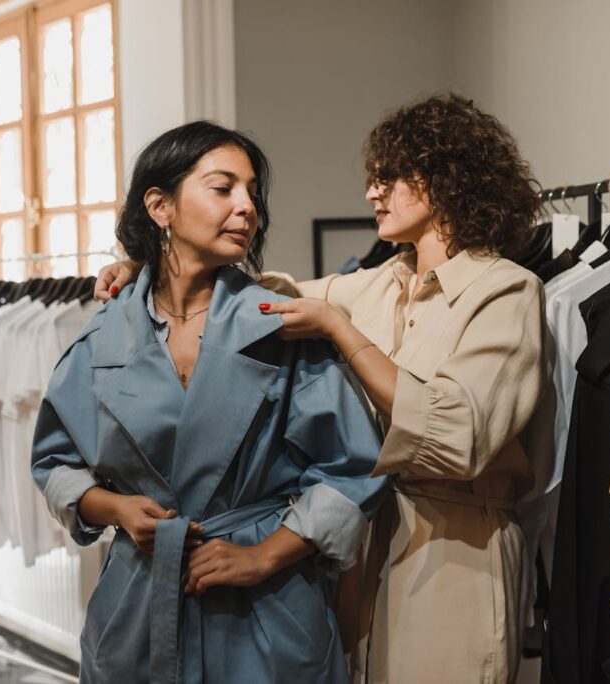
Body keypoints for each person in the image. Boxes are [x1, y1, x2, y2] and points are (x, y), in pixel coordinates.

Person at [95, 95, 555, 683]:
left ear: (443, 179)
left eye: (388, 177)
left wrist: (340, 329)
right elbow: (265, 292)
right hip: (369, 546)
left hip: (456, 550)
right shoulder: (384, 284)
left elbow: (460, 434)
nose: (372, 193)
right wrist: (149, 265)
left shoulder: (506, 292)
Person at [31, 120, 386, 683]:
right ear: (160, 205)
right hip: (139, 602)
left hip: (266, 608)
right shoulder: (102, 339)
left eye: (252, 193)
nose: (247, 207)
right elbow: (55, 465)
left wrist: (265, 555)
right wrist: (117, 508)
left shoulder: (282, 326)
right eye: (224, 188)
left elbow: (352, 467)